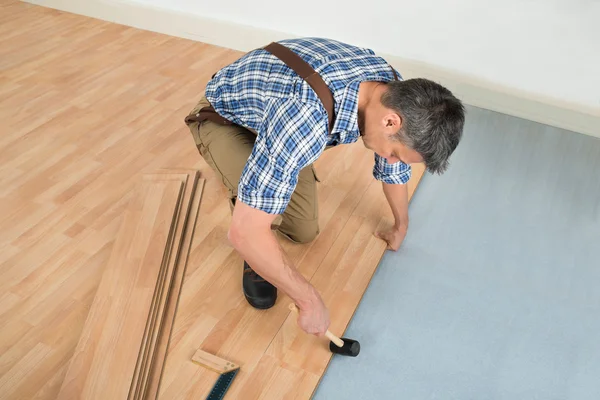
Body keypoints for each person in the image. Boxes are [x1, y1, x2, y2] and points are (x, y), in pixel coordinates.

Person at [185, 37, 465, 338]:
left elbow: (393, 166)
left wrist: (401, 223)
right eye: (395, 152)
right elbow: (244, 233)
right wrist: (309, 300)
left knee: (303, 230)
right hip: (224, 118)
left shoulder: (394, 92)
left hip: (276, 118)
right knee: (255, 228)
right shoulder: (304, 117)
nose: (391, 158)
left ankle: (269, 167)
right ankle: (248, 189)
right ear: (390, 122)